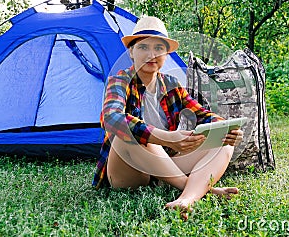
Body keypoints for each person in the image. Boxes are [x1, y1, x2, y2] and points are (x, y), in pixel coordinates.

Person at [92, 16, 243, 212]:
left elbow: (202, 114)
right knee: (129, 134)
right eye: (143, 47)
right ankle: (198, 188)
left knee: (224, 140)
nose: (151, 54)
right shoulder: (120, 80)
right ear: (131, 52)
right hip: (129, 172)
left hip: (164, 166)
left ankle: (186, 200)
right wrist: (167, 138)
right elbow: (111, 118)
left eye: (158, 48)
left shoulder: (171, 85)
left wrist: (227, 128)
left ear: (166, 54)